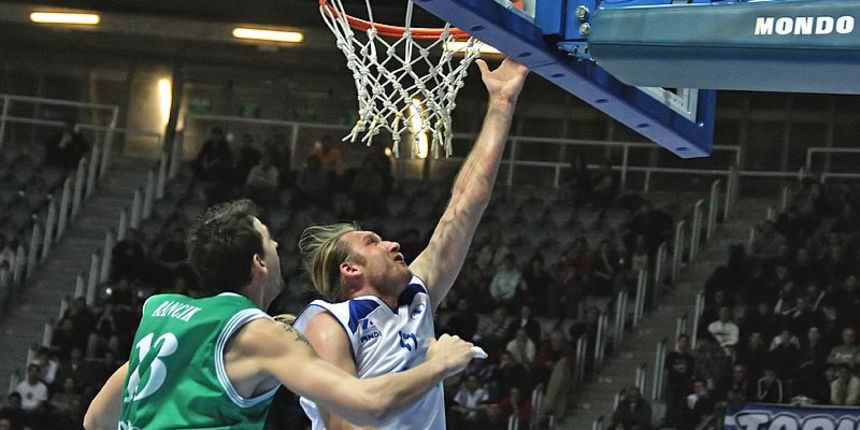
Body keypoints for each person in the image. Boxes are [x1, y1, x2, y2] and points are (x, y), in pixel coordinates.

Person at [84, 200, 477, 430]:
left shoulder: (163, 312)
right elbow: (367, 403)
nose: (277, 248)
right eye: (271, 244)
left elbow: (96, 419)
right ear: (259, 263)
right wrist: (438, 365)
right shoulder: (261, 336)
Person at [292, 58, 529, 430]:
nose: (392, 244)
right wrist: (437, 367)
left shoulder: (418, 295)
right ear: (350, 269)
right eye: (373, 242)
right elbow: (343, 427)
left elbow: (466, 204)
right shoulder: (328, 322)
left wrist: (501, 103)